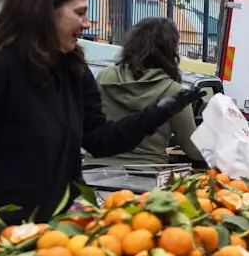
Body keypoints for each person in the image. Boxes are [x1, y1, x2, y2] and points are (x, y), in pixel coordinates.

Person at [0, 0, 201, 224]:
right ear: (45, 12)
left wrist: (160, 111)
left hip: (58, 231)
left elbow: (100, 139)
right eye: (80, 13)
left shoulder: (74, 72)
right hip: (3, 237)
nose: (87, 23)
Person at [86, 18, 203, 167]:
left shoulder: (104, 77)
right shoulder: (173, 91)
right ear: (170, 49)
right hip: (146, 177)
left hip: (95, 172)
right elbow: (194, 151)